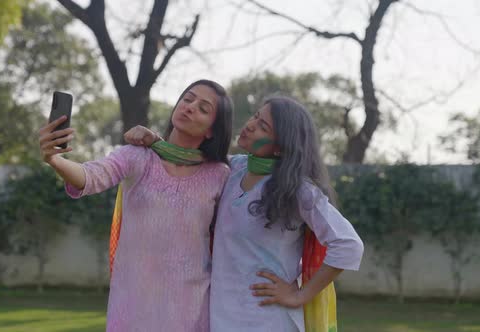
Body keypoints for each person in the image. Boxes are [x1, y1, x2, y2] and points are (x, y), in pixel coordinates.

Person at [125, 95, 364, 332]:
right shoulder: (234, 168)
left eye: (263, 127)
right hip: (221, 316)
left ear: (281, 147)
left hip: (267, 319)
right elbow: (186, 159)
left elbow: (348, 245)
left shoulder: (299, 191)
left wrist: (300, 295)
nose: (250, 125)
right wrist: (155, 142)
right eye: (256, 116)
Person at [38, 79, 233, 331]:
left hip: (191, 310)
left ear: (212, 131)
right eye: (188, 98)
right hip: (132, 306)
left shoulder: (221, 175)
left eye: (203, 108)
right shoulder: (137, 156)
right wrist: (55, 159)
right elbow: (91, 176)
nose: (190, 107)